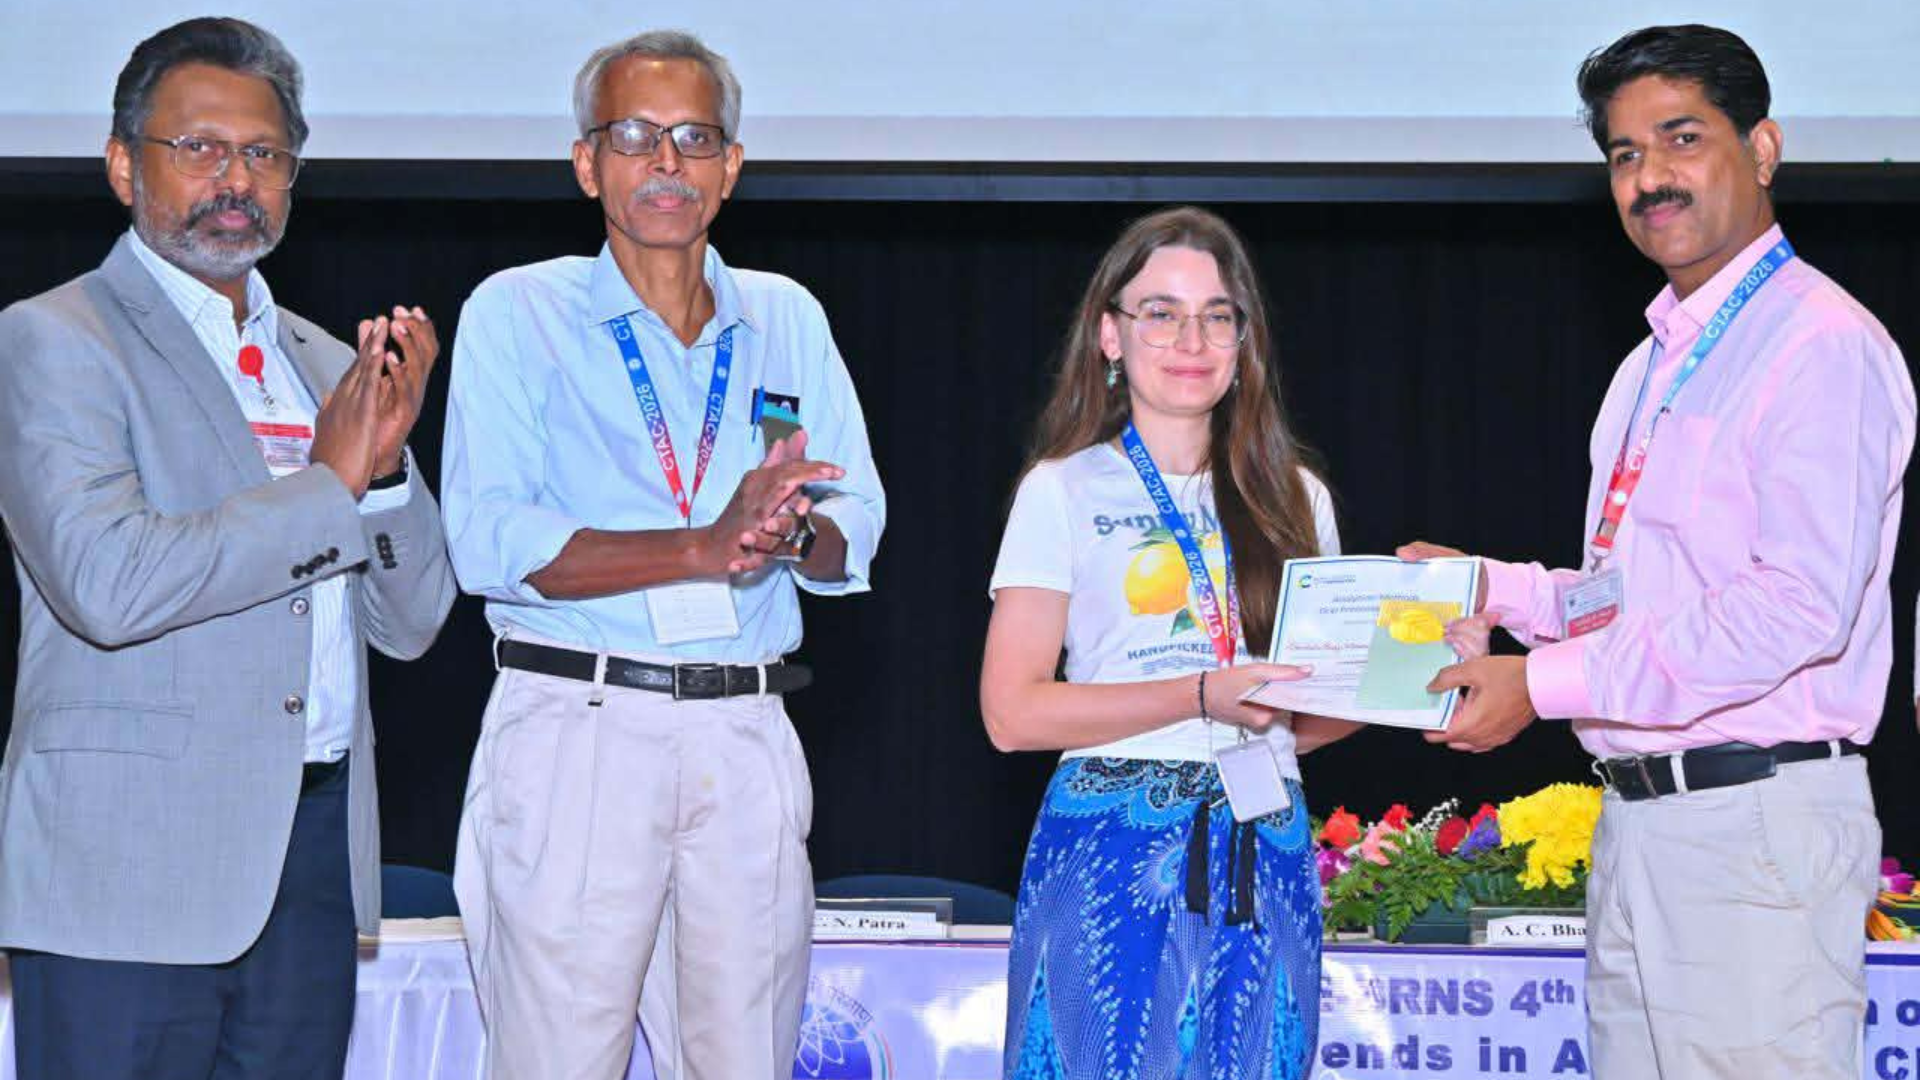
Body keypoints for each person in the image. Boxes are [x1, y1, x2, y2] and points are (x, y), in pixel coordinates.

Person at [1403, 24, 1914, 1080]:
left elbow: (1794, 608)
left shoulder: (1820, 346)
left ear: (1762, 149)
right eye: (1625, 154)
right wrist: (1493, 590)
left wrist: (1539, 685)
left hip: (1753, 820)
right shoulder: (1648, 365)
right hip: (1643, 820)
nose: (1649, 179)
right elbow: (1624, 599)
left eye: (1682, 139)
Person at [0, 17, 456, 1079]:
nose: (236, 179)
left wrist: (386, 474)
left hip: (309, 855)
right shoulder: (54, 338)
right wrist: (330, 485)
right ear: (124, 166)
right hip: (126, 867)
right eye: (199, 147)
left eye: (264, 154)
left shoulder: (326, 361)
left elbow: (412, 623)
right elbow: (108, 582)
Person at [439, 29, 885, 1080]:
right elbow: (491, 541)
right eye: (636, 137)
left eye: (695, 138)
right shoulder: (519, 311)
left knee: (745, 1061)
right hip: (581, 722)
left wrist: (791, 535)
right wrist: (703, 544)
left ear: (732, 168)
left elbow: (853, 522)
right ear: (587, 163)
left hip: (743, 725)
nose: (667, 162)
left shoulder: (785, 316)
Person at [981, 206, 1358, 1079]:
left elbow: (1322, 713)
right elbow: (1011, 713)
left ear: (1243, 342)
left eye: (1217, 316)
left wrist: (1416, 667)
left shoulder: (1296, 496)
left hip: (1263, 835)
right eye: (1161, 313)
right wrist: (1198, 696)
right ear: (1110, 335)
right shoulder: (1062, 489)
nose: (1191, 340)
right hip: (1110, 836)